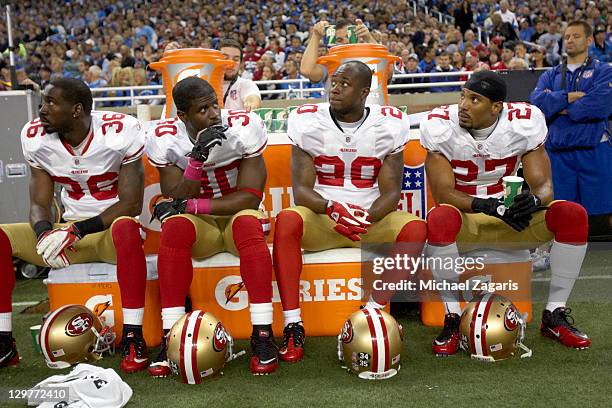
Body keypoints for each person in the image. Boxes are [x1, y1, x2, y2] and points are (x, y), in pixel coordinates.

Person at [421, 70, 591, 356]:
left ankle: (554, 313)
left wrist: (533, 200)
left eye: (474, 99)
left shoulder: (523, 123)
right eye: (463, 95)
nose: (462, 104)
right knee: (439, 217)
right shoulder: (440, 125)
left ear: (496, 107)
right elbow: (442, 193)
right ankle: (452, 316)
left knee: (572, 214)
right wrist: (485, 205)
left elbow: (545, 186)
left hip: (511, 219)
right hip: (467, 218)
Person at [273, 61, 427, 363]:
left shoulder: (388, 124)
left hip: (368, 220)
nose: (336, 88)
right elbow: (301, 190)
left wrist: (364, 217)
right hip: (323, 217)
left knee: (416, 228)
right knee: (288, 220)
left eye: (345, 83)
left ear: (365, 92)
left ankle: (372, 310)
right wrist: (332, 209)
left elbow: (392, 192)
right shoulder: (308, 121)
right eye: (334, 81)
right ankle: (293, 323)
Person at [0, 78, 149, 372]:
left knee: (127, 228)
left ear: (77, 110)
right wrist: (44, 233)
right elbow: (39, 202)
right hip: (69, 233)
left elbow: (130, 204)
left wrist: (76, 231)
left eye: (50, 103)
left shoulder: (120, 132)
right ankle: (4, 341)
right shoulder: (35, 137)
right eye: (43, 102)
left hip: (109, 233)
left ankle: (134, 337)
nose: (41, 110)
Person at [145, 76, 277, 376]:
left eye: (214, 105)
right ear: (182, 116)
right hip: (200, 226)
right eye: (203, 110)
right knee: (175, 228)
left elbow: (250, 199)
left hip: (234, 217)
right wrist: (196, 157)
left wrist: (191, 206)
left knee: (247, 224)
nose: (215, 114)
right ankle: (171, 335)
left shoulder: (243, 128)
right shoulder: (167, 137)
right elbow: (175, 194)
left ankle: (263, 333)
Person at [530, 21, 612, 238]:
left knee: (599, 216)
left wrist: (557, 106)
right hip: (559, 152)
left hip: (593, 149)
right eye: (567, 37)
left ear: (589, 40)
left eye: (575, 36)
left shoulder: (603, 71)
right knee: (562, 212)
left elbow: (601, 105)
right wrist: (569, 97)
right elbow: (537, 104)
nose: (570, 40)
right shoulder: (551, 74)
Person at [300, 19, 377, 84]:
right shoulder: (328, 64)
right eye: (339, 40)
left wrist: (369, 38)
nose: (345, 42)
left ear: (359, 37)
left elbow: (388, 72)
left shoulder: (368, 58)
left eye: (348, 36)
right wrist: (316, 35)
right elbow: (306, 71)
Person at [218, 39, 261, 111]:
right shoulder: (206, 84)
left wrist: (251, 103)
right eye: (225, 58)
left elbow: (253, 96)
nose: (231, 63)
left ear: (241, 64)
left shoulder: (245, 84)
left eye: (235, 59)